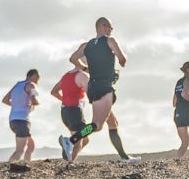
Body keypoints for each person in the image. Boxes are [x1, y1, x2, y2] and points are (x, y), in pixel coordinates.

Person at [59, 17, 131, 163]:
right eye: (110, 28)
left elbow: (73, 59)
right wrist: (118, 60)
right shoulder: (110, 41)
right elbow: (122, 60)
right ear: (104, 27)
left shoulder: (87, 45)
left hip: (93, 87)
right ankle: (71, 140)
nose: (111, 31)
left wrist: (86, 68)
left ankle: (125, 157)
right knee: (96, 126)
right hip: (104, 87)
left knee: (113, 123)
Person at [52, 61, 92, 157]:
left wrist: (65, 100)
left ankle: (68, 151)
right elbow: (91, 94)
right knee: (80, 141)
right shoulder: (83, 76)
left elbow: (54, 91)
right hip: (75, 112)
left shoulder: (66, 76)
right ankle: (69, 147)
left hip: (65, 111)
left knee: (85, 139)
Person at [4, 69, 41, 163]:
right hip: (22, 120)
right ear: (34, 76)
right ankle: (8, 167)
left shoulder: (17, 85)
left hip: (13, 119)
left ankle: (26, 164)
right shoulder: (31, 85)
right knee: (20, 150)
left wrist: (17, 105)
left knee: (31, 145)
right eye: (38, 78)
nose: (38, 81)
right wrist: (37, 103)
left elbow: (5, 100)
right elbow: (34, 100)